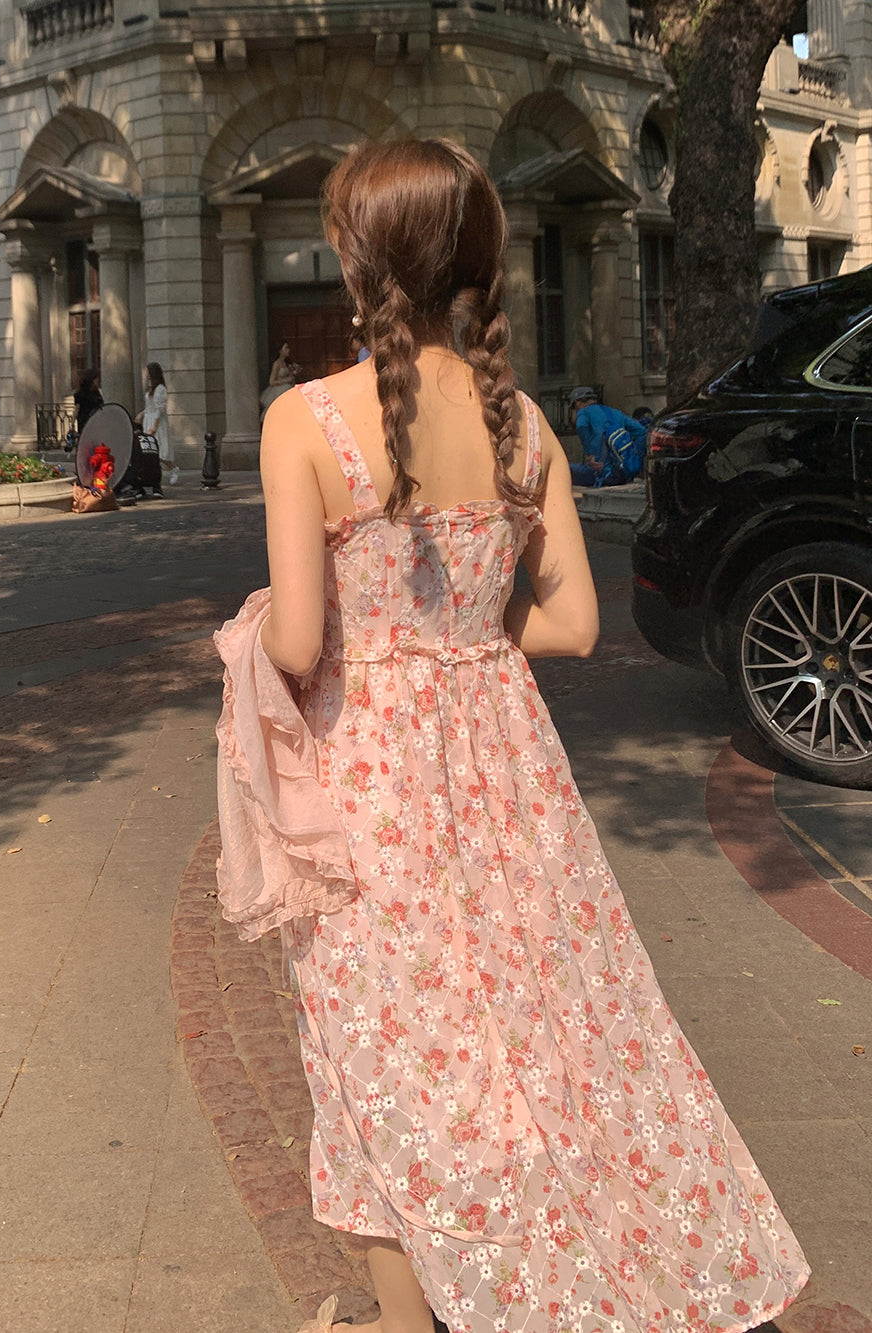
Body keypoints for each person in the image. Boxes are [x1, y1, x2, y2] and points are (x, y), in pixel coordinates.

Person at [218, 139, 808, 1333]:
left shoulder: (304, 422)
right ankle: (599, 1269)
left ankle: (409, 1316)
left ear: (358, 256)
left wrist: (261, 639)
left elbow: (294, 643)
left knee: (385, 1052)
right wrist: (462, 648)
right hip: (510, 778)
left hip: (371, 784)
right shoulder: (525, 423)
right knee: (557, 1030)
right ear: (481, 262)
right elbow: (576, 625)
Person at [567, 386, 648, 488]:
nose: (576, 409)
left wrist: (590, 454)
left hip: (601, 473)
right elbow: (641, 431)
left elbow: (581, 426)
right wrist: (635, 457)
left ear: (578, 402)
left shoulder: (584, 412)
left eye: (574, 406)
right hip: (623, 474)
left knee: (564, 468)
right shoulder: (615, 412)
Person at [134, 362, 172, 496]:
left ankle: (172, 469)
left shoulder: (160, 389)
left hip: (156, 421)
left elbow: (159, 409)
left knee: (158, 450)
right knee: (149, 451)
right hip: (148, 419)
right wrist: (142, 414)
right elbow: (150, 406)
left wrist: (154, 426)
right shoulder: (151, 389)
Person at [261, 341, 302, 416]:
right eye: (286, 348)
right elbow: (271, 381)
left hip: (288, 387)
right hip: (279, 390)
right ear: (280, 350)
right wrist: (286, 380)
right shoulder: (276, 364)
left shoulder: (286, 362)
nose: (288, 350)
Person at [73, 369, 103, 441]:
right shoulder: (81, 394)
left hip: (96, 419)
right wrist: (72, 423)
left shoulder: (96, 392)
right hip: (85, 419)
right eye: (96, 380)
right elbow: (77, 408)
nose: (97, 382)